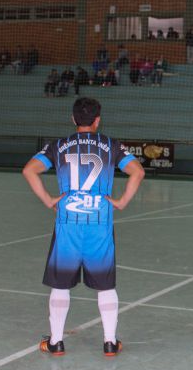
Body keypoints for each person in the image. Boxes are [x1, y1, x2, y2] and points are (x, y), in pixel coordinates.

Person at [22, 97, 145, 356]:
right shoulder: (111, 145)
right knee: (105, 285)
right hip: (99, 223)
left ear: (73, 119)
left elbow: (29, 170)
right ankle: (109, 342)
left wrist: (48, 200)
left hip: (69, 222)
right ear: (98, 120)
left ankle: (56, 342)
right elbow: (138, 171)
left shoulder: (59, 145)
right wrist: (122, 201)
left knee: (60, 284)